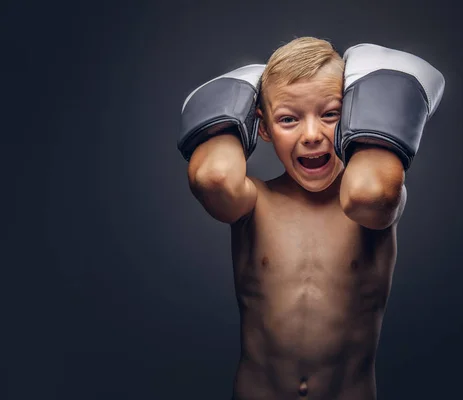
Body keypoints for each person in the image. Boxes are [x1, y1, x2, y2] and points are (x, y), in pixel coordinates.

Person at [178, 37, 444, 400]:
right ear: (264, 129)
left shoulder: (366, 204)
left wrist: (376, 91)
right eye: (288, 119)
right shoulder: (256, 203)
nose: (312, 135)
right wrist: (238, 95)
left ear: (353, 116)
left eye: (331, 114)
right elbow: (213, 178)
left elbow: (372, 192)